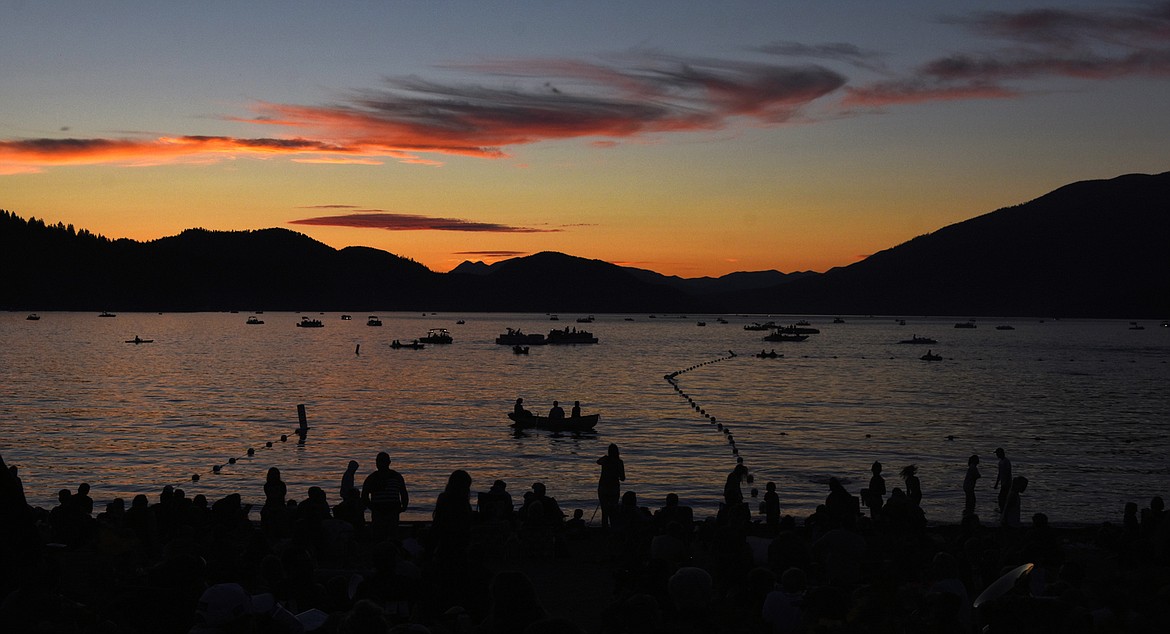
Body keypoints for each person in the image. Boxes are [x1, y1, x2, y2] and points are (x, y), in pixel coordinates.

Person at [360, 451, 409, 538]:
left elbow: (403, 492)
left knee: (392, 535)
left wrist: (404, 506)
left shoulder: (396, 476)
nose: (380, 464)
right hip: (378, 511)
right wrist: (373, 508)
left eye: (383, 461)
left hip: (392, 511)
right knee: (379, 535)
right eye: (378, 461)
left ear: (389, 462)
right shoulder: (372, 478)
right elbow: (364, 495)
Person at [596, 443, 626, 529]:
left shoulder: (605, 460)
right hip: (614, 489)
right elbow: (622, 478)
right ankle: (613, 528)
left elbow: (598, 461)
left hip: (603, 488)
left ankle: (604, 529)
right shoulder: (619, 462)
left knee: (604, 512)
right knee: (613, 511)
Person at [993, 447, 1012, 513]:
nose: (996, 455)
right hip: (1003, 483)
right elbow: (999, 473)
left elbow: (1008, 472)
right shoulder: (1000, 462)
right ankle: (1003, 510)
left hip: (1007, 483)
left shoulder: (1006, 461)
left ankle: (1004, 510)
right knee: (1002, 497)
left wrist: (1006, 482)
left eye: (997, 453)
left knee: (1002, 497)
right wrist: (997, 483)